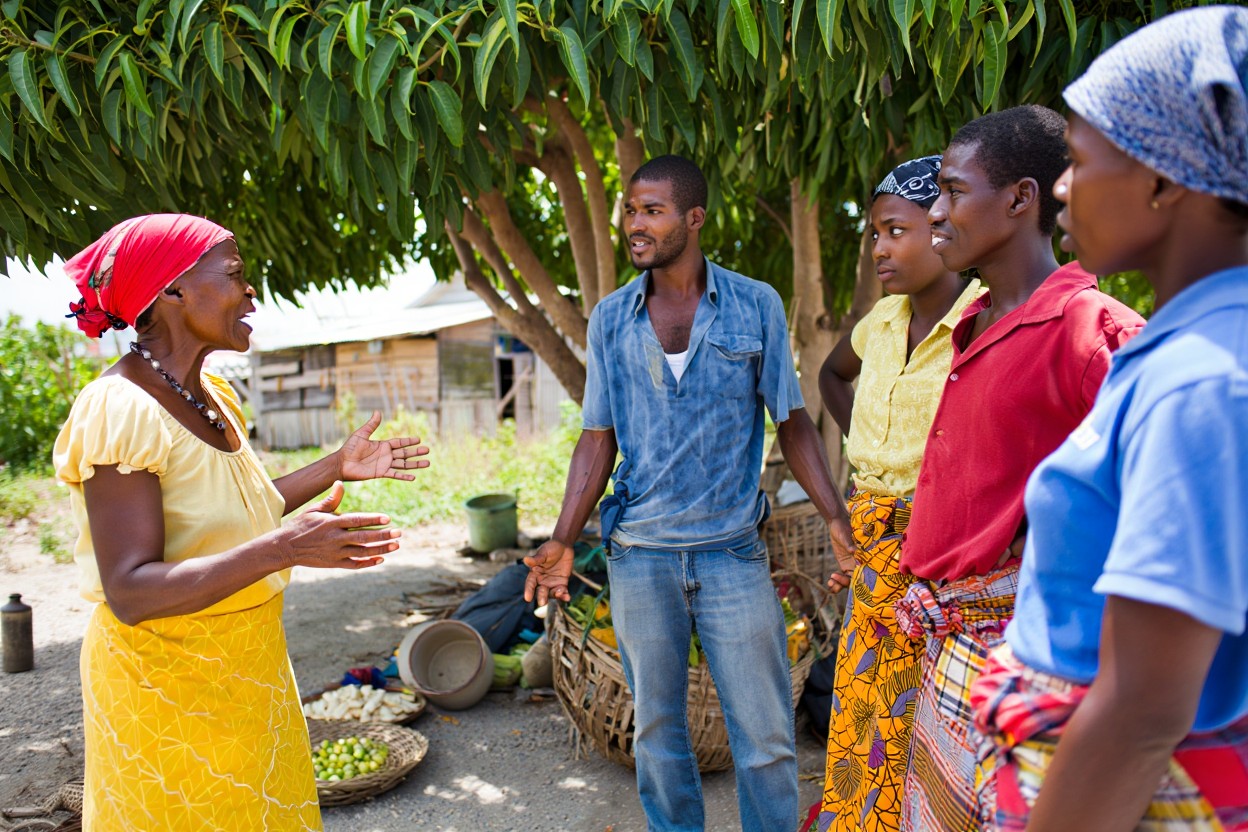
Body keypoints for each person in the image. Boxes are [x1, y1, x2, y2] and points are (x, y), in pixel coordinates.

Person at [54, 214, 429, 831]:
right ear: (171, 291)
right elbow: (130, 589)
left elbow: (234, 511)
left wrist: (335, 466)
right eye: (234, 275)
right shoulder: (119, 409)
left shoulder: (210, 393)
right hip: (165, 687)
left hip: (248, 667)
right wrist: (282, 549)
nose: (250, 292)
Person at [970, 7, 1248, 830]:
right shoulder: (1189, 347)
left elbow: (1140, 710)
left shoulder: (1203, 384)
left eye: (1081, 160)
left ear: (1164, 182)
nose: (1061, 186)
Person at [522, 155, 854, 832]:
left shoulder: (754, 303)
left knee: (764, 739)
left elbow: (791, 422)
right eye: (629, 210)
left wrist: (837, 518)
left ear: (693, 218)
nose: (634, 224)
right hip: (639, 557)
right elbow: (596, 437)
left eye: (652, 210)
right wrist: (561, 539)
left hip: (732, 554)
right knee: (657, 734)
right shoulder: (611, 318)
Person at [892, 106, 1145, 832]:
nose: (935, 213)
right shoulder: (972, 327)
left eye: (951, 191)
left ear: (1020, 199)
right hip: (955, 645)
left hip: (1032, 653)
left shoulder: (1089, 329)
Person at [815, 155, 983, 832]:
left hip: (938, 557)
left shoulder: (984, 320)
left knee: (921, 726)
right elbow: (833, 374)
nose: (880, 248)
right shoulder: (882, 321)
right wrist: (866, 466)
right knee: (861, 711)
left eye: (894, 230)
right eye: (875, 235)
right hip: (871, 547)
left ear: (941, 229)